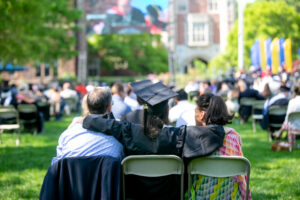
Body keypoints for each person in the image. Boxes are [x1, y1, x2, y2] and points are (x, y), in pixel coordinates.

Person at [82, 81, 227, 200]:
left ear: (145, 110)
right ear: (167, 111)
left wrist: (86, 118)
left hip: (135, 193)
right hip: (170, 195)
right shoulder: (177, 135)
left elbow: (91, 121)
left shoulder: (128, 131)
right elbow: (214, 132)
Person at [188, 94, 251, 200]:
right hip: (232, 195)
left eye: (195, 112)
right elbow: (241, 174)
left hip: (204, 195)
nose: (194, 116)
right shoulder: (234, 136)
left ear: (202, 115)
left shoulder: (193, 138)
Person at [51, 87, 124, 165]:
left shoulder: (68, 134)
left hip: (71, 176)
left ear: (88, 108)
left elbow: (57, 165)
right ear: (109, 107)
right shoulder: (119, 135)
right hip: (105, 176)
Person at [274, 81, 300, 147]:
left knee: (288, 122)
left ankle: (291, 143)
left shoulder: (291, 101)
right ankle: (279, 132)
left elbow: (287, 118)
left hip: (294, 127)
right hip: (295, 125)